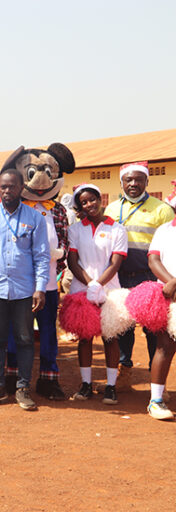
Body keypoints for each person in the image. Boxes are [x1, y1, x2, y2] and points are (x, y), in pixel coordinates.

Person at [0, 169, 49, 411]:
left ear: (21, 188)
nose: (7, 191)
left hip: (24, 291)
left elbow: (42, 256)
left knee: (25, 340)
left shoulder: (35, 218)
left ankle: (23, 388)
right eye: (3, 187)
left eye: (12, 186)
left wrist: (40, 288)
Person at [104, 161, 174, 389]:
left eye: (138, 179)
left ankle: (156, 379)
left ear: (147, 182)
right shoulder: (112, 209)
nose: (133, 184)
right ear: (121, 182)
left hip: (150, 277)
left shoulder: (162, 209)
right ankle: (125, 368)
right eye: (128, 180)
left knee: (154, 328)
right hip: (120, 276)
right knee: (122, 325)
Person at [65, 184, 127, 405]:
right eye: (84, 202)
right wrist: (89, 284)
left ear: (100, 199)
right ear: (80, 206)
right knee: (85, 338)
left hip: (110, 291)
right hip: (82, 290)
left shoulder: (118, 229)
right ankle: (86, 384)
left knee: (110, 337)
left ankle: (111, 387)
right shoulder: (75, 229)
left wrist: (98, 285)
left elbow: (115, 263)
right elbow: (72, 261)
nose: (89, 204)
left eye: (92, 199)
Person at [146, 214, 176, 419]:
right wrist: (172, 282)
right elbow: (153, 259)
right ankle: (155, 401)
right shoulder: (164, 230)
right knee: (164, 346)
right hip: (168, 295)